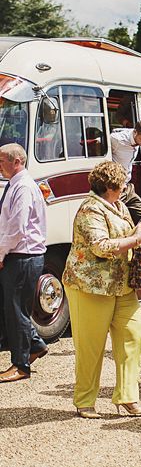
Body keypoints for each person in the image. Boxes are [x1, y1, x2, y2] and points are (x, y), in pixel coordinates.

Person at [62, 161, 141, 417]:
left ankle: (127, 397)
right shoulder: (90, 208)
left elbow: (124, 235)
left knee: (133, 335)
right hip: (90, 286)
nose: (126, 186)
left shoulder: (118, 205)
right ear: (110, 186)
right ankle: (84, 401)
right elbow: (101, 246)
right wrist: (135, 239)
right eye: (122, 183)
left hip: (121, 285)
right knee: (90, 346)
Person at [0, 144, 49, 383]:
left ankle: (21, 364)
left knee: (16, 310)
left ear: (16, 161)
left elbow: (16, 228)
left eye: (2, 161)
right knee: (13, 308)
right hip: (20, 255)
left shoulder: (23, 187)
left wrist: (1, 254)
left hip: (22, 256)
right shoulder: (17, 185)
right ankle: (36, 345)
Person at [110, 119, 141, 224]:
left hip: (128, 187)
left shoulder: (138, 139)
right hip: (115, 188)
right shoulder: (117, 139)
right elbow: (100, 144)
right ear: (135, 132)